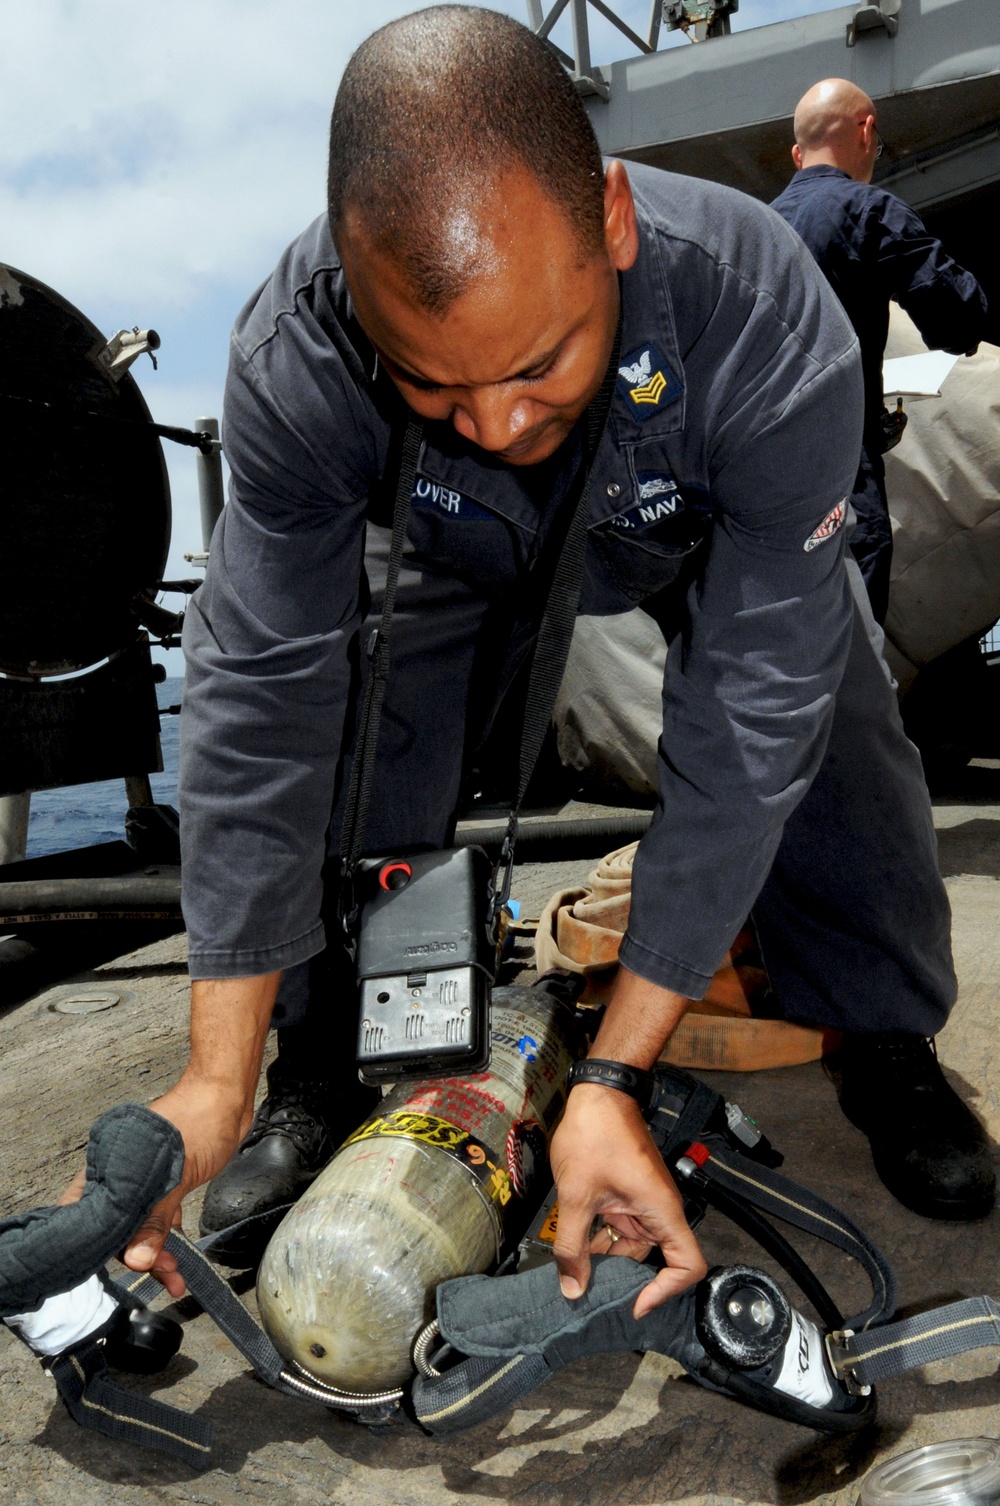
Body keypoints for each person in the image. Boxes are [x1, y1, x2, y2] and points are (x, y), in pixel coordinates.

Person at [111, 8, 994, 1311]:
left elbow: (748, 724)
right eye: (438, 385)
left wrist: (614, 1080)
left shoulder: (758, 311)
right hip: (438, 542)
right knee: (349, 708)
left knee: (834, 706)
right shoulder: (299, 350)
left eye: (537, 364)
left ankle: (881, 1026)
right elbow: (253, 708)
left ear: (615, 222)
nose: (501, 423)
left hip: (685, 523)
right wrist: (211, 1072)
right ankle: (312, 1062)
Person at [770, 78, 987, 626]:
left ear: (798, 154)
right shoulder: (870, 212)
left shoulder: (751, 231)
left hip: (753, 487)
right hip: (839, 471)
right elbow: (958, 318)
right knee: (852, 648)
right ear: (866, 132)